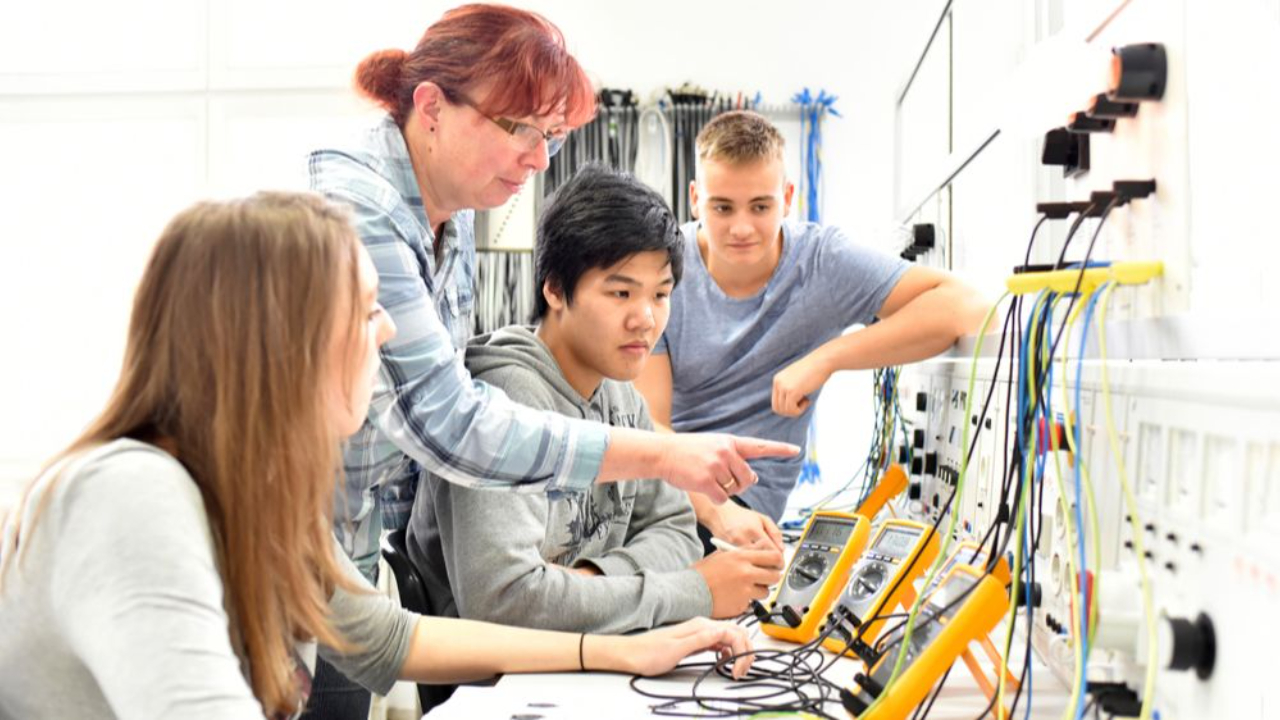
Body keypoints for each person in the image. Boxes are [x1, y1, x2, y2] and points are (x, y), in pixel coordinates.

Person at [0, 193, 755, 720]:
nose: (388, 333)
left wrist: (616, 653)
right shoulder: (134, 495)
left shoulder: (255, 499)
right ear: (278, 339)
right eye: (365, 311)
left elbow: (392, 638)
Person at [307, 8, 791, 713]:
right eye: (521, 130)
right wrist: (665, 471)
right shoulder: (362, 209)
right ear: (432, 107)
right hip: (291, 567)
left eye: (552, 137)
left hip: (350, 580)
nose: (538, 160)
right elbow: (449, 424)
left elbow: (668, 532)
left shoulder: (449, 210)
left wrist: (615, 567)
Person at [407, 166, 784, 634]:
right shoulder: (504, 399)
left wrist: (588, 581)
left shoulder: (621, 391)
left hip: (598, 652)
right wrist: (694, 591)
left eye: (661, 295)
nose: (645, 320)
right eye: (621, 292)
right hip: (503, 687)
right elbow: (505, 603)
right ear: (554, 289)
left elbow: (678, 532)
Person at [635, 110, 988, 551]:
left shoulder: (822, 262)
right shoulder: (664, 270)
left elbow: (965, 305)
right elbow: (649, 426)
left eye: (760, 206)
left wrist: (827, 358)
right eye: (722, 207)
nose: (741, 227)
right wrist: (714, 510)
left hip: (742, 509)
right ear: (694, 198)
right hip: (670, 490)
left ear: (787, 197)